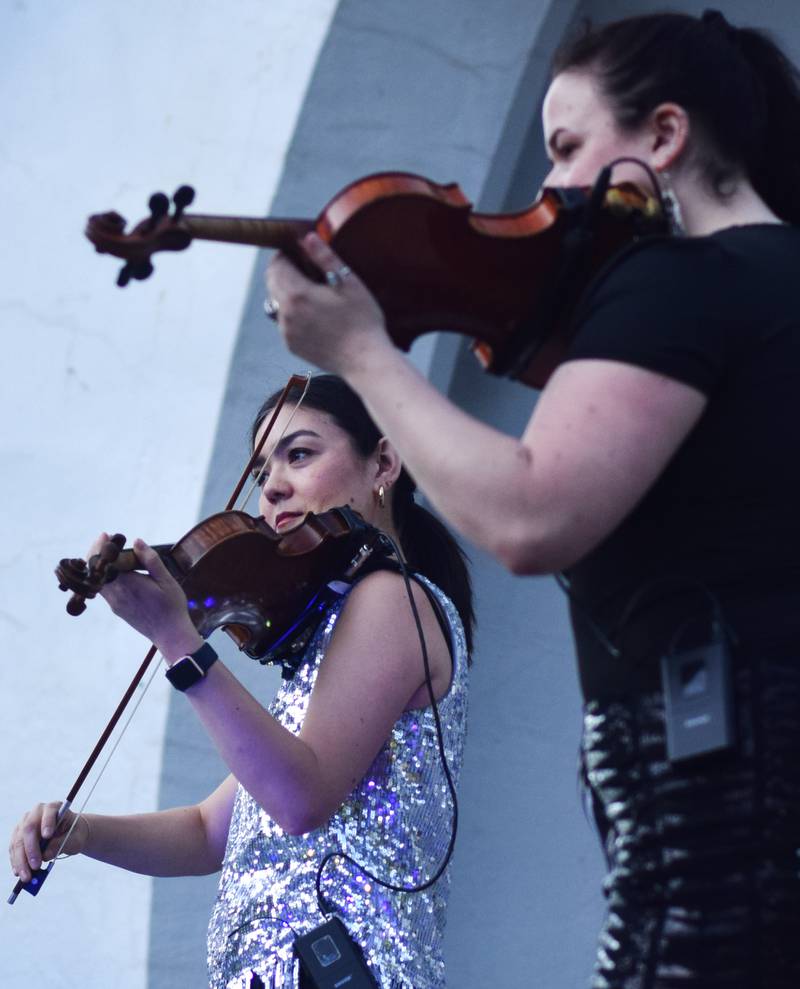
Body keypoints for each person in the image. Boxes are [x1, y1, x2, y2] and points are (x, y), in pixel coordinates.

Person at [261, 9, 800, 987]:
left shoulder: (678, 283)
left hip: (716, 831)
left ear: (664, 136)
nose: (547, 187)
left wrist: (359, 353)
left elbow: (527, 514)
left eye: (565, 147)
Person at [9, 374, 473, 989]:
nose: (273, 487)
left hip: (342, 967)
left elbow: (300, 800)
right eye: (261, 472)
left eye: (299, 455)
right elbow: (207, 833)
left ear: (382, 461)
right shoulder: (330, 639)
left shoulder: (394, 598)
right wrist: (84, 834)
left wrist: (179, 642)